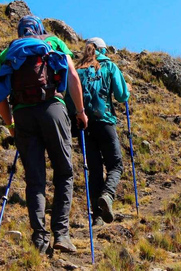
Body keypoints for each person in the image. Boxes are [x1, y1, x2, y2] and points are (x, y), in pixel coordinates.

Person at [0, 15, 88, 253]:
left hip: (23, 115)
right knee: (64, 172)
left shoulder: (9, 52)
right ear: (39, 28)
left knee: (35, 179)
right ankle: (61, 234)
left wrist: (11, 125)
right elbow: (73, 76)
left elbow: (0, 95)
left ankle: (39, 240)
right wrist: (80, 112)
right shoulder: (53, 42)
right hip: (53, 108)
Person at [73, 37, 130, 227]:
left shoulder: (78, 70)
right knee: (115, 165)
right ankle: (107, 195)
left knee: (94, 171)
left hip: (85, 126)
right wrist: (127, 90)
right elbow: (122, 96)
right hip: (105, 122)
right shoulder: (109, 66)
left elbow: (69, 98)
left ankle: (97, 217)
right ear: (102, 50)